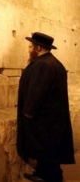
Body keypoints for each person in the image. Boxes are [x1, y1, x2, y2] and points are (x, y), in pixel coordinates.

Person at [17, 32, 75, 182]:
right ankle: (42, 173)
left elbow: (37, 90)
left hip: (44, 119)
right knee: (49, 152)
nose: (29, 50)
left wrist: (28, 113)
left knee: (47, 150)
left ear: (38, 48)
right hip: (51, 119)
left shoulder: (43, 64)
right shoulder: (53, 62)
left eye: (31, 47)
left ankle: (49, 177)